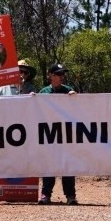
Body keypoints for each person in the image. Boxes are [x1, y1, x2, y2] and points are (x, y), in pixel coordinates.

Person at [37, 63, 77, 205]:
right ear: (51, 76)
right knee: (49, 164)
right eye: (59, 74)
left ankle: (70, 195)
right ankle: (45, 194)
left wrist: (74, 97)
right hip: (49, 135)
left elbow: (78, 110)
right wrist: (31, 99)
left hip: (66, 135)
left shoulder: (69, 90)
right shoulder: (43, 92)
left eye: (63, 74)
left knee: (68, 165)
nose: (62, 77)